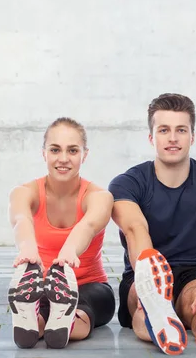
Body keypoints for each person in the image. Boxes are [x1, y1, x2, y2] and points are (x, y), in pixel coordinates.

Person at [108, 93, 196, 355]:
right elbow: (136, 231)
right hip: (143, 273)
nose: (172, 138)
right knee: (143, 301)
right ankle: (157, 311)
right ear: (151, 137)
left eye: (181, 130)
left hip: (193, 272)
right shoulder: (126, 183)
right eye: (164, 130)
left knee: (195, 298)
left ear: (192, 136)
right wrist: (149, 277)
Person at [7, 117, 116, 349]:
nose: (63, 159)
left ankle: (44, 323)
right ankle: (43, 320)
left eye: (73, 150)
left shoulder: (99, 196)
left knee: (82, 304)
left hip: (90, 285)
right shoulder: (24, 192)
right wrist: (27, 248)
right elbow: (20, 219)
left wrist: (69, 252)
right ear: (43, 153)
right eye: (55, 149)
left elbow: (87, 226)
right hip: (44, 286)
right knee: (46, 300)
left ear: (84, 154)